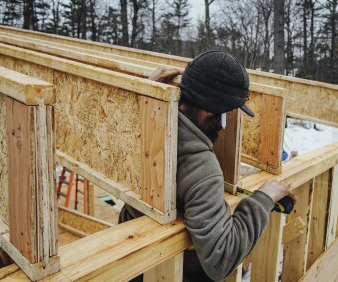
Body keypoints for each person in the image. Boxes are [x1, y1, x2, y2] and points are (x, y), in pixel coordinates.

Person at [119, 50, 297, 281]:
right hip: (170, 272)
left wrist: (145, 94)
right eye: (229, 111)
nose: (230, 118)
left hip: (129, 265)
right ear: (212, 111)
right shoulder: (202, 167)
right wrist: (264, 198)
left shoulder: (144, 124)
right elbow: (221, 258)